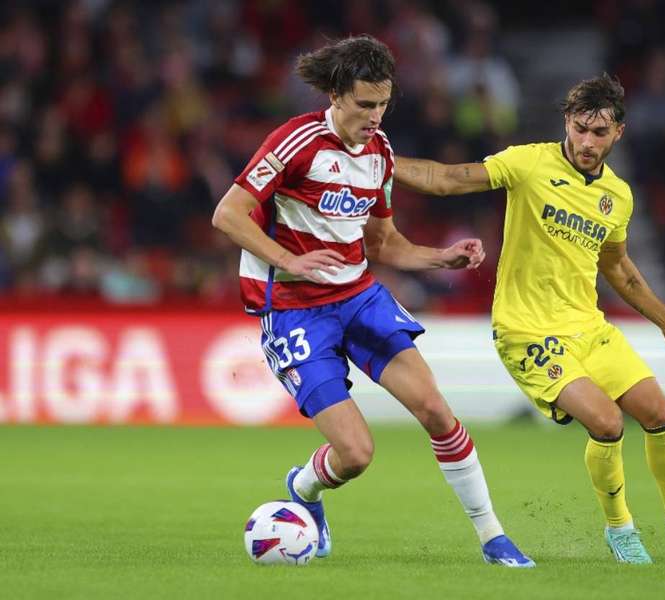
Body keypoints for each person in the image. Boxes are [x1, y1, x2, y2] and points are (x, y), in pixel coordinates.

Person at [211, 35, 533, 568]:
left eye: (382, 104)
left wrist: (441, 257)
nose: (375, 116)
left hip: (358, 296)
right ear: (337, 95)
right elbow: (228, 213)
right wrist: (287, 260)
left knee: (436, 410)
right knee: (357, 455)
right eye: (364, 104)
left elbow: (384, 244)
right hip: (293, 310)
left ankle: (493, 537)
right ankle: (304, 488)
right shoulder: (296, 142)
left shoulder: (379, 154)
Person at [393, 74, 665, 564]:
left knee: (659, 414)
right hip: (527, 330)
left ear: (618, 133)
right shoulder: (529, 162)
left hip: (588, 328)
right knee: (606, 420)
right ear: (567, 123)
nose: (586, 141)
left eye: (599, 133)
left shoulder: (617, 196)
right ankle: (620, 529)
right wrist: (377, 161)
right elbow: (447, 179)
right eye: (580, 128)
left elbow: (617, 266)